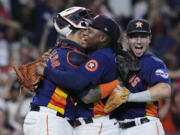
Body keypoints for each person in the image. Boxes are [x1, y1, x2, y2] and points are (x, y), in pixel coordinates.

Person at [36, 14, 122, 135]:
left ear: (102, 38)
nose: (85, 33)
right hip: (90, 124)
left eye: (90, 30)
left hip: (97, 124)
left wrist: (47, 71)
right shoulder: (99, 54)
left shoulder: (102, 55)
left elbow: (79, 84)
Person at [23, 6, 93, 135]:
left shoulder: (58, 50)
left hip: (46, 118)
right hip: (51, 119)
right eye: (82, 32)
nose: (86, 35)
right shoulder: (73, 54)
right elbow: (80, 85)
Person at [110, 18, 171, 135]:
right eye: (134, 36)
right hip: (118, 128)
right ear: (126, 38)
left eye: (143, 36)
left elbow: (164, 90)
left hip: (144, 126)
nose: (139, 41)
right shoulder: (117, 61)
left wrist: (128, 97)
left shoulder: (153, 62)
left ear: (150, 39)